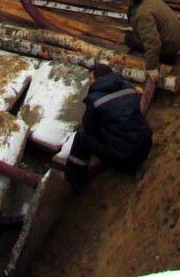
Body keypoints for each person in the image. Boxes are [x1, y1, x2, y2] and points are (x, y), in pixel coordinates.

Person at [65, 63, 152, 191]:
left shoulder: (94, 99)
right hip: (145, 147)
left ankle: (75, 180)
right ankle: (132, 163)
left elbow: (89, 129)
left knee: (81, 136)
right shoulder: (129, 88)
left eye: (90, 79)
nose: (88, 82)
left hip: (124, 156)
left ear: (98, 79)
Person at [118, 0, 180, 82]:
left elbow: (152, 42)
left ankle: (163, 58)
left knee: (129, 39)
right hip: (173, 39)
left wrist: (151, 68)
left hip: (168, 47)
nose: (122, 1)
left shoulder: (143, 14)